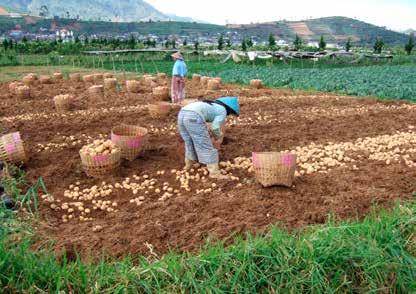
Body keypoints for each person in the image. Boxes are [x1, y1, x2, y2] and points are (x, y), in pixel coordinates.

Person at [178, 97, 240, 179]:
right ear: (229, 109)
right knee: (206, 145)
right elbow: (214, 127)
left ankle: (189, 165)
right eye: (231, 113)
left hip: (182, 113)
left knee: (189, 142)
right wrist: (218, 136)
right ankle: (214, 173)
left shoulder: (211, 105)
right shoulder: (222, 110)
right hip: (193, 116)